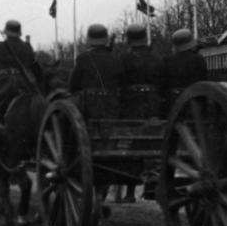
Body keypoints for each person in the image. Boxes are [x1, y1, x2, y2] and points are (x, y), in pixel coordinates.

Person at [116, 23, 163, 203]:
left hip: (131, 105)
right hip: (153, 104)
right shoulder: (157, 59)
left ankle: (129, 192)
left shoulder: (124, 59)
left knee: (131, 145)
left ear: (129, 40)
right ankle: (152, 182)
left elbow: (119, 82)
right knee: (153, 143)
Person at [0, 20, 43, 121]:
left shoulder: (0, 46)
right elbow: (37, 70)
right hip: (25, 84)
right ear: (19, 33)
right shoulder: (27, 47)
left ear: (6, 33)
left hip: (3, 83)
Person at [69, 23, 123, 119]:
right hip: (114, 107)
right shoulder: (116, 58)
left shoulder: (83, 58)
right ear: (106, 39)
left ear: (89, 40)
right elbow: (122, 82)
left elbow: (73, 85)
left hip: (87, 109)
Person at [161, 28, 207, 116]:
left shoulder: (167, 60)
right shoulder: (199, 59)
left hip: (173, 103)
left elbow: (163, 84)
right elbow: (203, 80)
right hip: (194, 102)